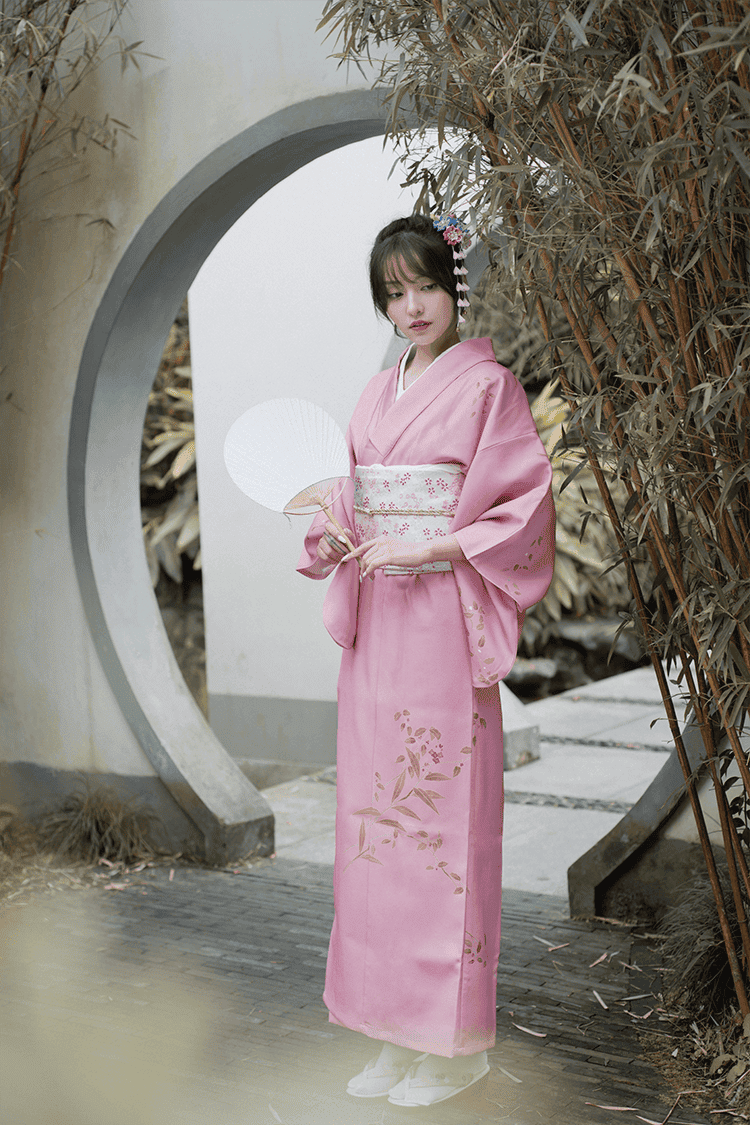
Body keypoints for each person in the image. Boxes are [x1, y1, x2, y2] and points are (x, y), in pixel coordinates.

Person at [297, 212, 555, 1108]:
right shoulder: (376, 396)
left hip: (440, 626)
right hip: (378, 636)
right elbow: (350, 494)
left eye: (425, 285)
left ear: (455, 286)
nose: (411, 306)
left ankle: (453, 1046)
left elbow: (519, 510)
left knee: (440, 828)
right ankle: (385, 1029)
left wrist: (432, 548)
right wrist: (338, 533)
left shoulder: (490, 390)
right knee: (375, 831)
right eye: (394, 292)